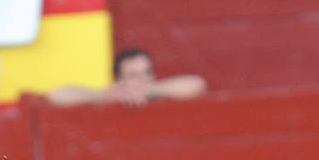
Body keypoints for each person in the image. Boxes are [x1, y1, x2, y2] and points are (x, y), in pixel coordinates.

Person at [48, 47, 206, 108]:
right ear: (119, 79)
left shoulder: (162, 92)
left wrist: (151, 89)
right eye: (133, 75)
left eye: (146, 73)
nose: (141, 80)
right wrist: (103, 95)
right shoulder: (112, 95)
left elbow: (197, 84)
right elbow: (57, 95)